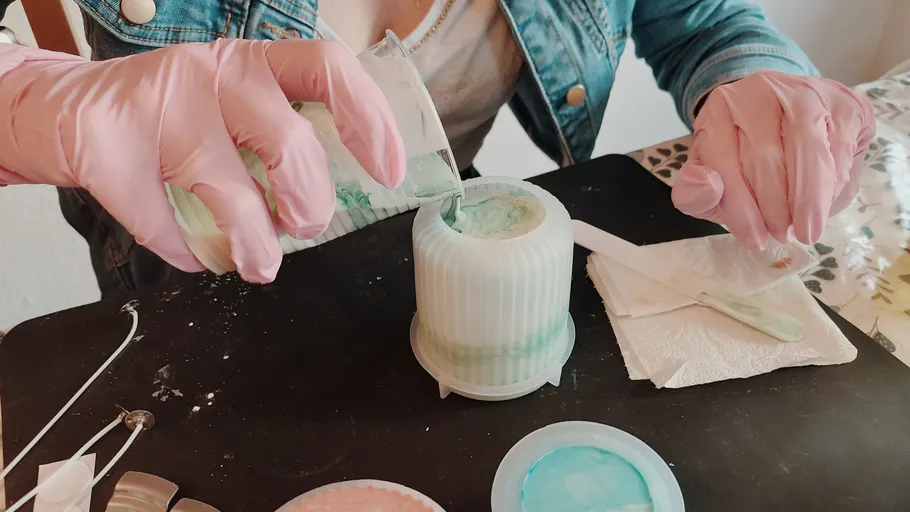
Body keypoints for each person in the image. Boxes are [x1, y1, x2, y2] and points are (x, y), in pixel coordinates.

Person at [0, 0, 875, 297]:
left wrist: (758, 82)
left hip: (422, 257)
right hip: (188, 289)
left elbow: (701, 20)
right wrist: (42, 104)